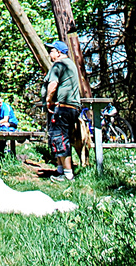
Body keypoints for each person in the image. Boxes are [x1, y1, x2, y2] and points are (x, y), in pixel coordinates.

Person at [41, 40, 81, 182]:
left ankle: (68, 174)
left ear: (59, 52)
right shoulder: (71, 65)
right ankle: (60, 171)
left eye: (52, 50)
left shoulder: (58, 64)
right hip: (73, 108)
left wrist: (48, 100)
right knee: (60, 137)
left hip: (63, 107)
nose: (50, 53)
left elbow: (53, 85)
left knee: (60, 138)